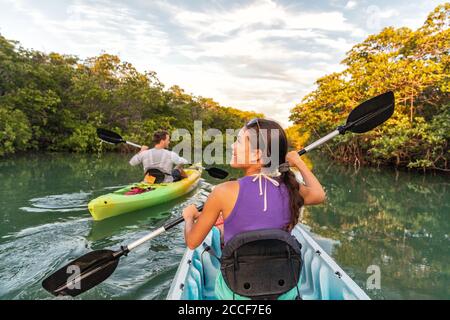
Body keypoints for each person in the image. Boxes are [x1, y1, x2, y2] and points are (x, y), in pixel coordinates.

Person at [182, 118, 326, 299]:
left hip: (236, 293)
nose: (232, 146)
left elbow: (193, 242)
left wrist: (189, 217)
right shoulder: (291, 188)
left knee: (221, 232)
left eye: (239, 141)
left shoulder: (223, 192)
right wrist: (299, 163)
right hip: (284, 290)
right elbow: (319, 195)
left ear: (257, 155)